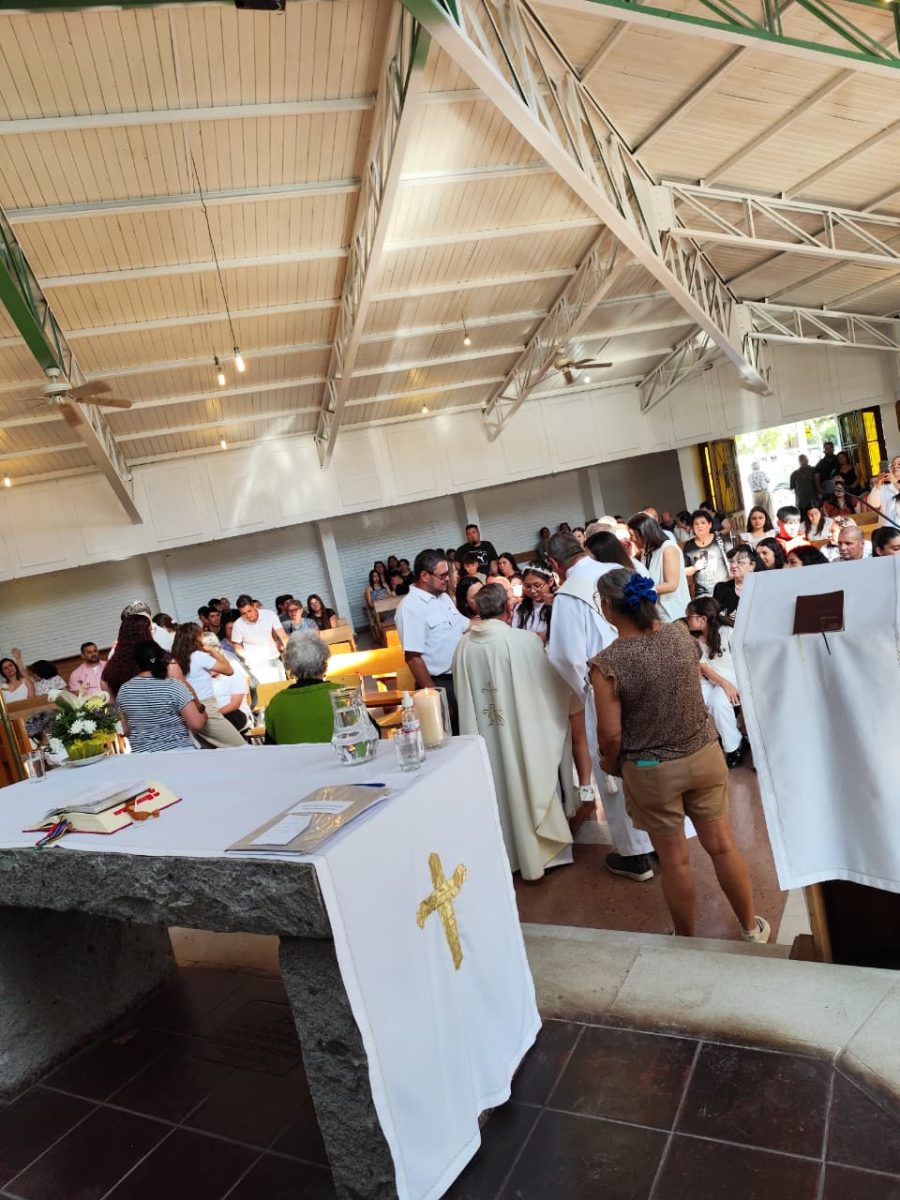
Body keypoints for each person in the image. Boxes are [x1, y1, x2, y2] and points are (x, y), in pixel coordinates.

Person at [590, 570, 769, 942]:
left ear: (607, 606)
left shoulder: (607, 664)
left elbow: (610, 734)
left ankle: (687, 940)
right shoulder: (679, 635)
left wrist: (611, 763)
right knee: (723, 846)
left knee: (674, 861)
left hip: (651, 768)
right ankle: (751, 928)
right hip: (704, 755)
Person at [546, 531, 654, 881]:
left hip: (607, 685)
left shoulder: (568, 594)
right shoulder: (619, 569)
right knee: (650, 757)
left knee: (617, 763)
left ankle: (636, 854)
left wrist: (588, 688)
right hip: (647, 677)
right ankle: (663, 837)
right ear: (582, 549)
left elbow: (564, 655)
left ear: (554, 563)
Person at [453, 584, 576, 881]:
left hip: (486, 737)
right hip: (523, 735)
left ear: (477, 610)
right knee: (527, 775)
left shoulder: (463, 647)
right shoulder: (524, 641)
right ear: (508, 608)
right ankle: (540, 851)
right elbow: (551, 689)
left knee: (498, 784)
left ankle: (508, 853)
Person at [396, 549, 470, 733]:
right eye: (443, 575)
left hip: (461, 677)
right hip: (440, 683)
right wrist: (435, 697)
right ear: (424, 576)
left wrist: (498, 623)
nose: (448, 579)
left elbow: (467, 625)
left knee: (469, 731)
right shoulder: (410, 606)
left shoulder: (443, 597)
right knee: (451, 735)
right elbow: (413, 657)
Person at [117, 640, 207, 753]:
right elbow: (197, 724)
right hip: (179, 753)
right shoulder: (173, 686)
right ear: (161, 658)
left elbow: (124, 731)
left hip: (143, 757)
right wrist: (202, 711)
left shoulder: (124, 690)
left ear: (136, 662)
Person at [686, 597, 745, 769]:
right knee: (696, 697)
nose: (687, 619)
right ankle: (722, 736)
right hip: (716, 681)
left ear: (702, 619)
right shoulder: (697, 639)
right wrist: (722, 683)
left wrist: (726, 684)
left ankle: (734, 747)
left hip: (734, 679)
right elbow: (703, 667)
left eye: (689, 615)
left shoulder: (727, 632)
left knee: (717, 702)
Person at [171, 623, 245, 749]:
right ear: (196, 638)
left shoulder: (175, 660)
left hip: (187, 710)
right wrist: (212, 650)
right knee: (241, 746)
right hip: (206, 708)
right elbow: (229, 670)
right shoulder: (198, 656)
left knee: (211, 752)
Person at [264, 631, 342, 745]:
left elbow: (270, 749)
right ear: (324, 663)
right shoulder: (343, 695)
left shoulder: (276, 703)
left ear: (289, 665)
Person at [628, 513, 691, 622]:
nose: (631, 539)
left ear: (644, 533)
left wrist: (643, 590)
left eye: (632, 535)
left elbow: (671, 585)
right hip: (657, 613)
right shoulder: (646, 551)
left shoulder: (668, 548)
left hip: (673, 614)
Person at [230, 593, 288, 683]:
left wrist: (289, 653)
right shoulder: (238, 624)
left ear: (254, 606)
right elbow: (236, 644)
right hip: (256, 664)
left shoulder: (269, 614)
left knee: (283, 686)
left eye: (249, 611)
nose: (248, 615)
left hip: (274, 658)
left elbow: (282, 635)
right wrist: (247, 657)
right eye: (243, 613)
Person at [683, 510, 729, 598]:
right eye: (696, 524)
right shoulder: (689, 546)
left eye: (703, 523)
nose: (700, 526)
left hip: (723, 591)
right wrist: (694, 568)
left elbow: (734, 561)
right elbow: (683, 571)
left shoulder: (721, 540)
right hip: (702, 595)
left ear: (710, 524)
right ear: (692, 527)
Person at [712, 544, 756, 624]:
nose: (733, 566)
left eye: (740, 562)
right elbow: (714, 619)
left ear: (752, 565)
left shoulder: (759, 589)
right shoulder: (721, 588)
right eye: (731, 561)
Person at [515, 564, 555, 642]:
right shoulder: (520, 608)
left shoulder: (557, 605)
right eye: (527, 586)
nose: (532, 591)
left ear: (550, 581)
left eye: (537, 585)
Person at [866, 455, 900, 528]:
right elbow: (873, 504)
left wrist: (895, 482)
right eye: (893, 464)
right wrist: (877, 485)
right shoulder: (884, 486)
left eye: (899, 464)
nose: (895, 466)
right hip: (886, 528)